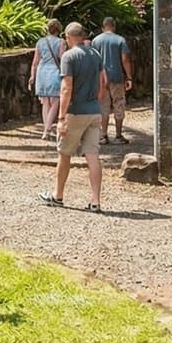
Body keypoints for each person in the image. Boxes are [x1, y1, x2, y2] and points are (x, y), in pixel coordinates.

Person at [38, 22, 110, 212]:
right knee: (93, 156)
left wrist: (61, 118)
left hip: (75, 112)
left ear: (69, 38)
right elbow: (104, 81)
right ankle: (95, 201)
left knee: (64, 154)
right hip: (94, 111)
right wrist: (97, 100)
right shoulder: (95, 54)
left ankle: (58, 195)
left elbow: (66, 87)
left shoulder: (69, 57)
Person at [94, 16, 134, 144]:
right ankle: (118, 135)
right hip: (117, 77)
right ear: (114, 26)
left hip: (101, 78)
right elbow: (125, 59)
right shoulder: (120, 40)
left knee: (103, 106)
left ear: (103, 27)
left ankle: (103, 135)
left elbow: (94, 60)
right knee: (119, 104)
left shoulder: (96, 40)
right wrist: (129, 77)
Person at [29, 18, 66, 140]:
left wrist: (32, 76)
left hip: (41, 71)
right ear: (58, 29)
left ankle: (47, 129)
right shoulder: (61, 42)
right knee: (55, 100)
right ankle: (47, 130)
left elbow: (35, 61)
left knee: (45, 102)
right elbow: (62, 58)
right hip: (54, 71)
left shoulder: (40, 42)